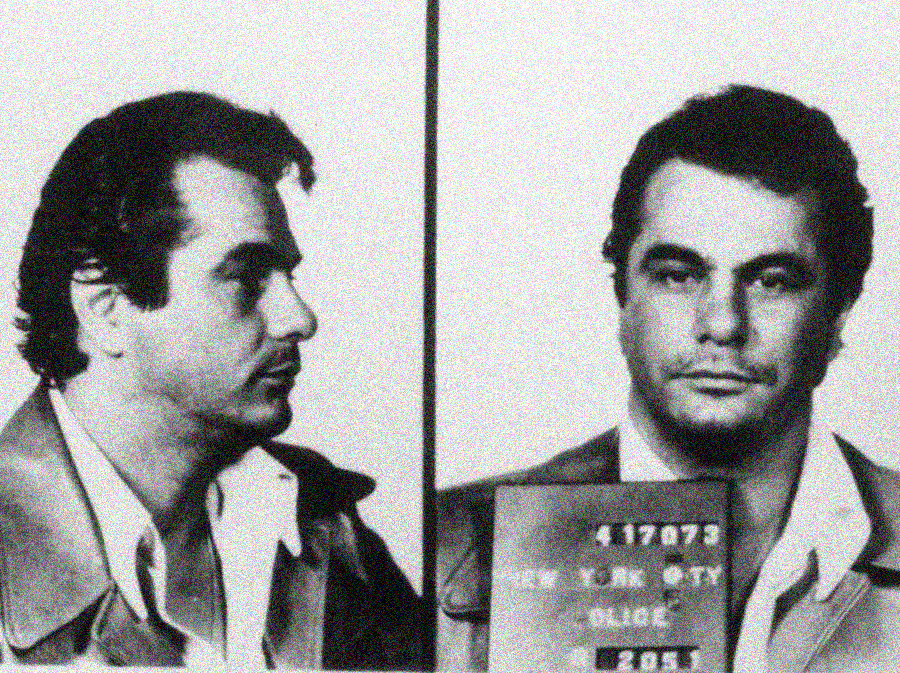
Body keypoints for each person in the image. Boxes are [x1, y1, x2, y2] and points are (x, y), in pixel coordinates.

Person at [436, 85, 900, 672]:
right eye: (679, 275)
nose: (723, 325)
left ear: (839, 312)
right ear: (622, 297)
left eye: (772, 280)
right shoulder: (445, 548)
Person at [0, 91, 422, 669]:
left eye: (287, 275)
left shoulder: (326, 528)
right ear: (107, 311)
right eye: (246, 277)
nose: (300, 319)